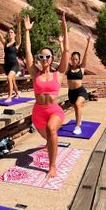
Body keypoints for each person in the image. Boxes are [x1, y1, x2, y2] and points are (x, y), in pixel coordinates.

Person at [24, 12, 69, 178]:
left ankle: (52, 166)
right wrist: (27, 31)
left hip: (53, 110)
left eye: (47, 56)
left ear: (51, 59)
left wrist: (64, 31)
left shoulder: (59, 73)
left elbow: (67, 53)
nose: (44, 59)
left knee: (51, 130)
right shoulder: (35, 73)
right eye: (41, 56)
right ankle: (50, 144)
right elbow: (27, 53)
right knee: (47, 137)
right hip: (38, 113)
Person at [64, 36, 91, 135]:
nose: (74, 61)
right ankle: (79, 119)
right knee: (76, 108)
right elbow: (64, 55)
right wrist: (60, 42)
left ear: (79, 60)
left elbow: (86, 55)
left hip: (81, 91)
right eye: (73, 59)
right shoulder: (68, 68)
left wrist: (88, 43)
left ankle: (78, 126)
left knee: (77, 104)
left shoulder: (82, 68)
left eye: (76, 59)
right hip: (71, 92)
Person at [0, 15, 22, 102]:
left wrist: (18, 24)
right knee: (13, 81)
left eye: (11, 32)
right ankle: (17, 94)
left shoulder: (17, 43)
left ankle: (9, 97)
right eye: (9, 32)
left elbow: (19, 34)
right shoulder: (5, 43)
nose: (10, 33)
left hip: (14, 64)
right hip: (7, 65)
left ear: (14, 34)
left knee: (9, 78)